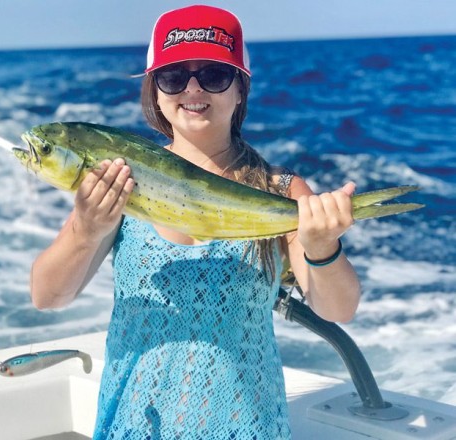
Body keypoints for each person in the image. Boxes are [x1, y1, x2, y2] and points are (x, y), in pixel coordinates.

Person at [30, 5, 361, 439]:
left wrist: (323, 248)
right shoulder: (122, 178)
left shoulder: (280, 191)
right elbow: (47, 296)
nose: (192, 88)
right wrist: (86, 229)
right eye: (172, 77)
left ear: (240, 89)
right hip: (134, 424)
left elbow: (338, 308)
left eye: (213, 75)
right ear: (155, 91)